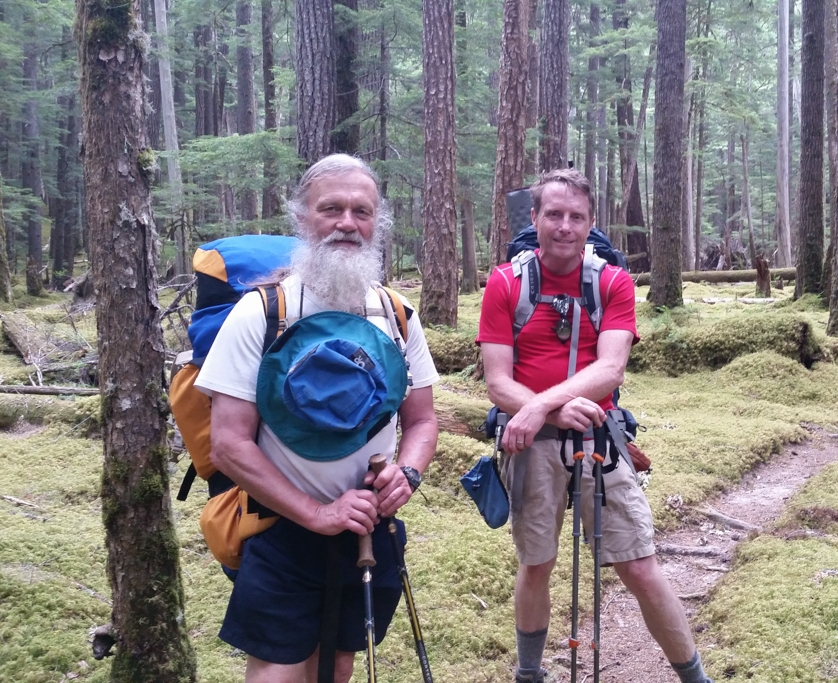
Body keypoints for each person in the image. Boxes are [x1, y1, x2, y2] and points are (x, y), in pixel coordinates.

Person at [196, 153, 439, 683]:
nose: (347, 223)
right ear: (303, 219)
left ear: (378, 223)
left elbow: (421, 421)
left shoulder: (396, 314)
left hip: (367, 530)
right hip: (280, 530)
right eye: (331, 209)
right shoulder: (263, 312)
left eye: (362, 210)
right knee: (279, 672)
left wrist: (409, 474)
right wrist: (314, 513)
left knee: (336, 667)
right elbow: (229, 444)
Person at [477, 169, 712, 683]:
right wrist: (548, 412)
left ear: (590, 223)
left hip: (600, 439)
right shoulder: (504, 283)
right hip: (533, 444)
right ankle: (529, 673)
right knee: (536, 563)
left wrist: (539, 405)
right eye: (554, 214)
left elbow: (611, 369)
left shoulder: (611, 281)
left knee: (639, 565)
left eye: (576, 217)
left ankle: (695, 677)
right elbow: (497, 382)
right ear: (533, 217)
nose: (565, 226)